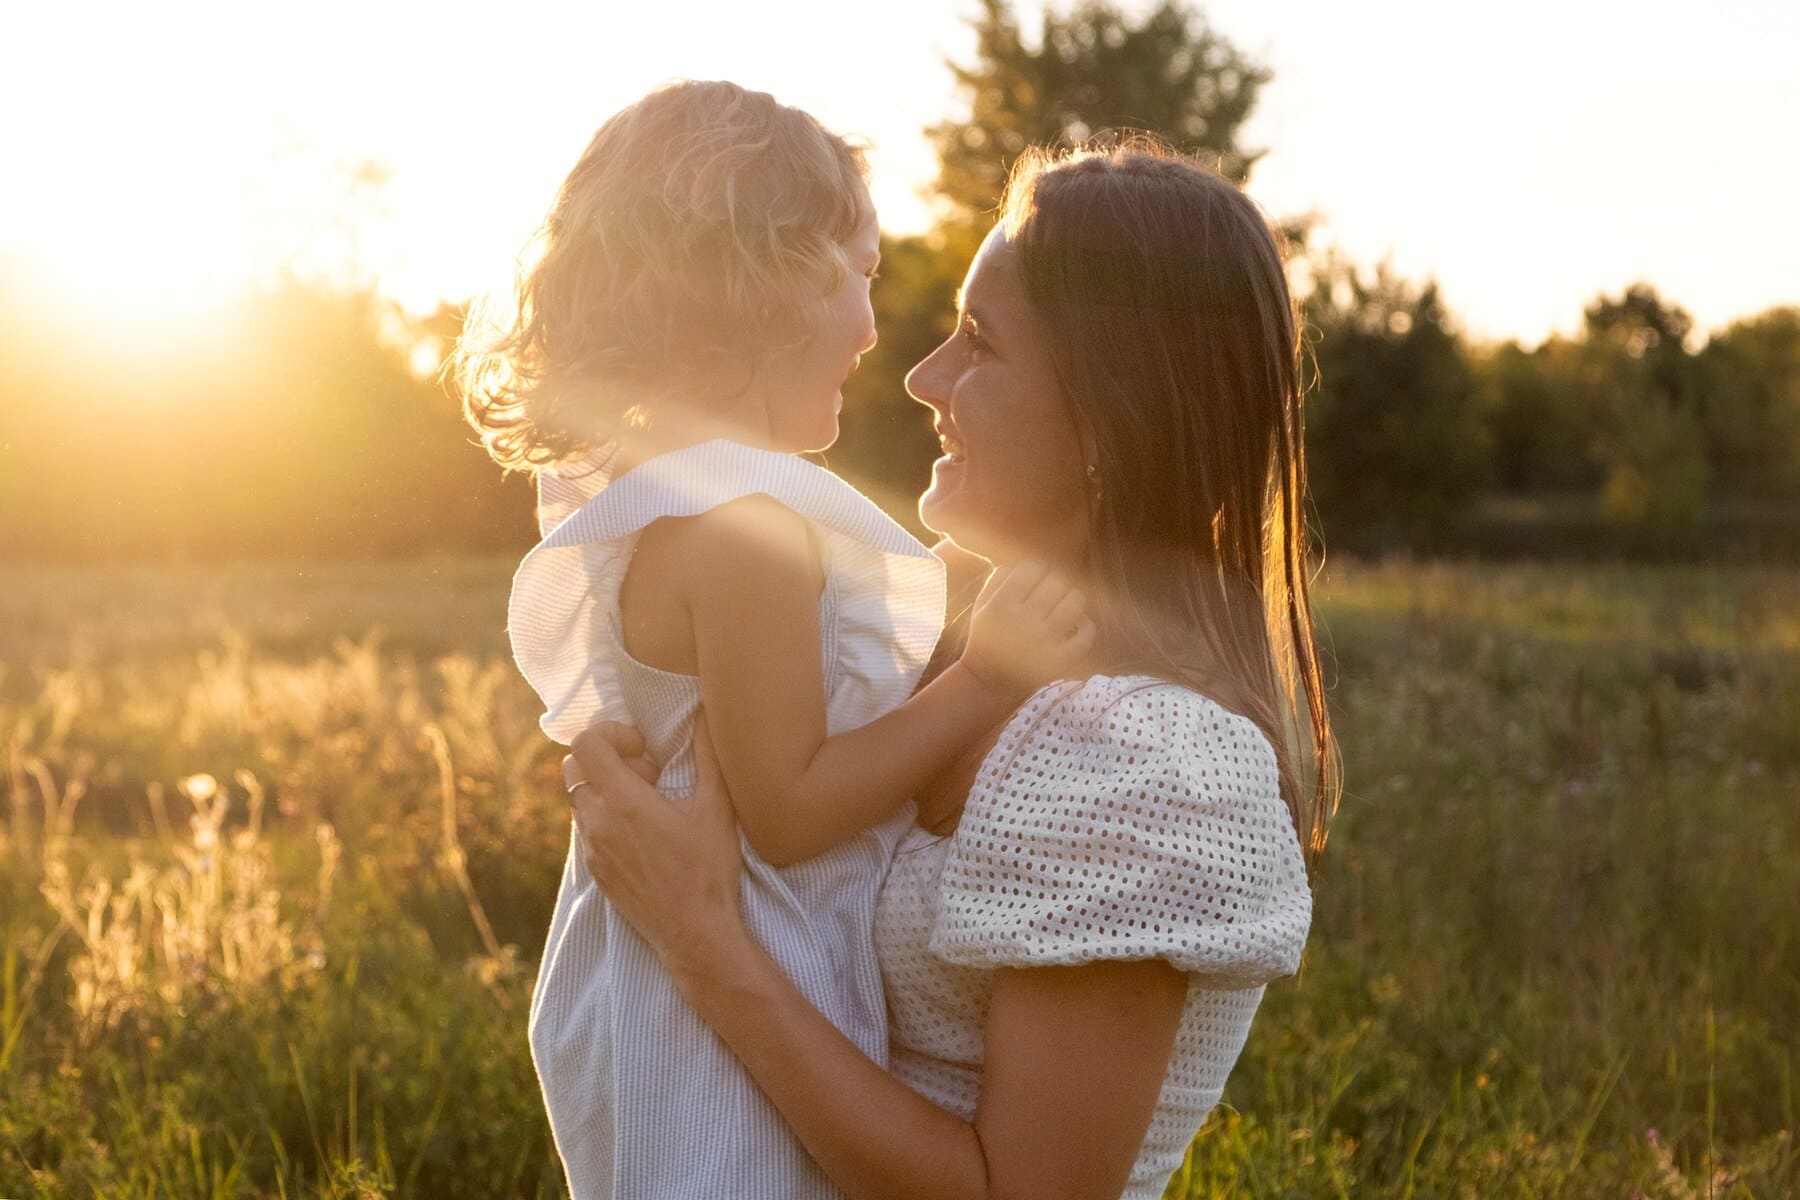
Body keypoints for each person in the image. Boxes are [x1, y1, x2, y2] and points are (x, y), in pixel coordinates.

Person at [561, 136, 1342, 1200]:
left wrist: (703, 944)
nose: (923, 377)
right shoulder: (937, 619)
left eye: (980, 343)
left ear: (1112, 411)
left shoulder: (1152, 762)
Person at [452, 81, 1092, 1200]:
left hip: (668, 984)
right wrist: (985, 676)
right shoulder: (745, 533)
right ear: (763, 286)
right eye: (860, 273)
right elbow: (793, 810)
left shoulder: (690, 499)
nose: (875, 324)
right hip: (718, 1025)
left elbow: (815, 679)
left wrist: (957, 584)